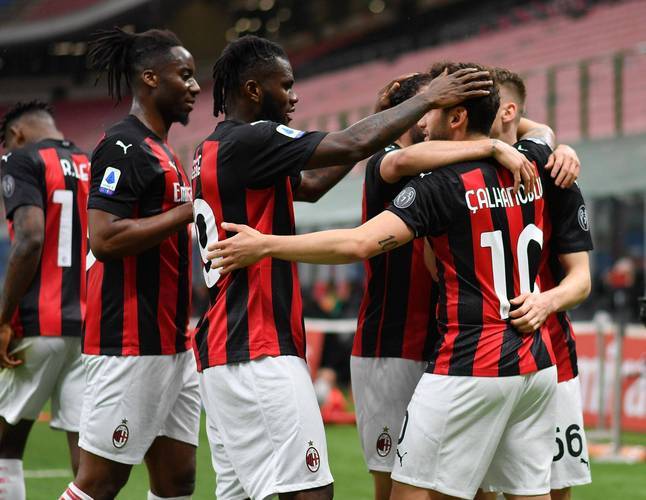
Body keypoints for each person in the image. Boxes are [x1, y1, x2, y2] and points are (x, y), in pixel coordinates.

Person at [208, 62, 564, 500]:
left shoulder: (441, 182)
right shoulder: (528, 163)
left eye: (433, 108)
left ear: (455, 116)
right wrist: (503, 141)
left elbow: (358, 243)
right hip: (507, 357)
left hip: (466, 356)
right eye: (421, 108)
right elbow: (539, 135)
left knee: (412, 491)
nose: (424, 120)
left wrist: (266, 244)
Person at [351, 72, 536, 500]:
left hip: (452, 348)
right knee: (395, 486)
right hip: (392, 346)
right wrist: (492, 146)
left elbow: (519, 122)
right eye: (429, 102)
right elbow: (399, 163)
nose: (429, 114)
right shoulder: (387, 157)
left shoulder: (453, 164)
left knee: (473, 485)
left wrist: (545, 139)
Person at [60, 28, 200, 500]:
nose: (195, 87)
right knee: (100, 482)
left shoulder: (164, 152)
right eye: (184, 75)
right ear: (150, 78)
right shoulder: (122, 146)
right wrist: (189, 210)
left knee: (177, 479)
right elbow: (104, 238)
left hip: (173, 342)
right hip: (129, 341)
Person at [486, 67, 593, 500]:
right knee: (476, 489)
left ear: (507, 110)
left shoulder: (554, 174)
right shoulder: (457, 173)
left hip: (550, 354)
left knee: (553, 488)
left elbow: (581, 280)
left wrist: (545, 302)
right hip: (477, 357)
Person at [0, 101, 89, 500]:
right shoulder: (91, 162)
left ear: (16, 134)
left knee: (5, 444)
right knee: (87, 462)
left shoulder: (20, 158)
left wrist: (3, 319)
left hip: (38, 322)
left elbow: (31, 238)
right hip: (89, 328)